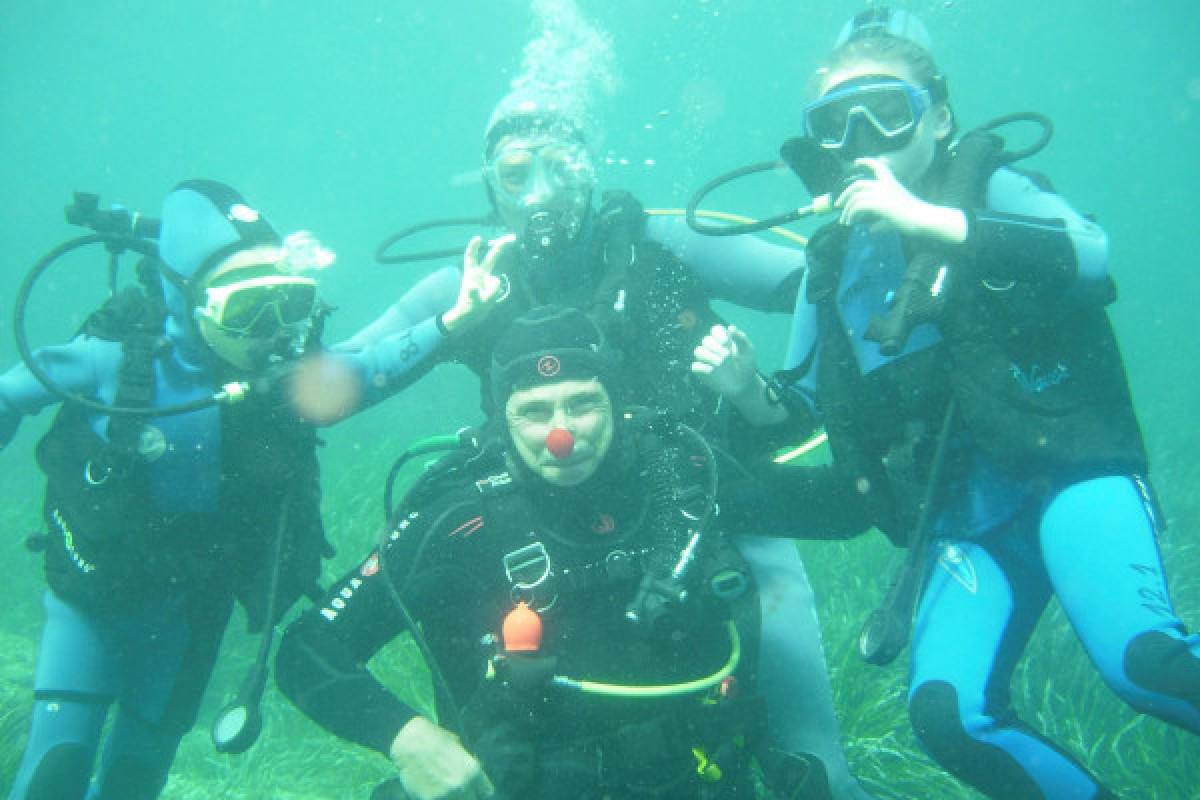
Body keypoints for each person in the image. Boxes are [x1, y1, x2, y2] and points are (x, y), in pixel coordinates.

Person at [692, 9, 1200, 800]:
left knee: (1145, 664)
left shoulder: (987, 186)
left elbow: (1090, 252)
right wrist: (743, 388)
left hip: (1070, 477)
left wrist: (932, 221)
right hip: (962, 519)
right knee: (948, 715)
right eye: (836, 122)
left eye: (888, 111)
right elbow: (797, 410)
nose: (862, 135)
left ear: (941, 117)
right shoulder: (832, 261)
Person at [331, 88, 873, 799]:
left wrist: (768, 391)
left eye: (560, 167)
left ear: (591, 170)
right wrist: (448, 324)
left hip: (711, 510)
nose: (540, 194)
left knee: (812, 765)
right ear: (490, 187)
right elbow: (330, 385)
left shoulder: (663, 243)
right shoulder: (468, 280)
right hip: (547, 537)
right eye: (515, 174)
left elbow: (825, 280)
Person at [277, 306, 831, 799]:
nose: (560, 434)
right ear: (502, 415)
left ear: (617, 401)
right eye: (534, 411)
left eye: (583, 403)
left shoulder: (680, 471)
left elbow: (846, 507)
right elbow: (309, 650)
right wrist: (406, 737)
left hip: (699, 777)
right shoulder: (456, 517)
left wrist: (758, 398)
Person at [0, 180, 343, 800]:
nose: (273, 332)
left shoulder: (287, 382)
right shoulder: (114, 363)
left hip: (192, 612)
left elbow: (382, 356)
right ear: (188, 299)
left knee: (136, 777)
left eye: (290, 302)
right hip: (93, 603)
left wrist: (458, 313)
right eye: (245, 309)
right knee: (58, 770)